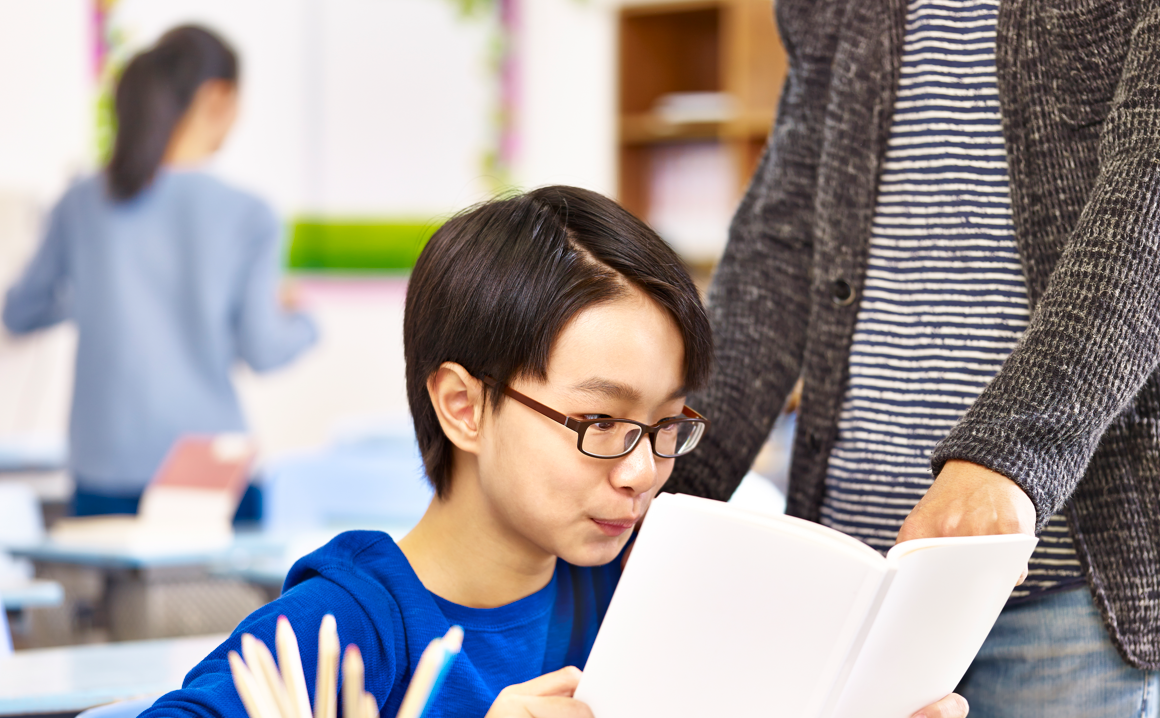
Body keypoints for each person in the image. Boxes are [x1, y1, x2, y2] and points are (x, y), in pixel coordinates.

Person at [138, 186, 967, 718]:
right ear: (463, 405)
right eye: (599, 423)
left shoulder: (640, 598)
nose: (642, 471)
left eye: (667, 424)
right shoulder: (351, 626)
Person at [665, 0, 1160, 715]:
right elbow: (783, 236)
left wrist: (1011, 457)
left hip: (1062, 602)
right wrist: (674, 477)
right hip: (846, 583)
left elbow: (1147, 201)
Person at [2, 26, 317, 518]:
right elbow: (262, 348)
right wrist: (304, 321)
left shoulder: (81, 202)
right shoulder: (249, 215)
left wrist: (92, 293)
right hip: (210, 469)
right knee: (222, 600)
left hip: (101, 468)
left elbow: (19, 313)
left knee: (112, 598)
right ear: (218, 96)